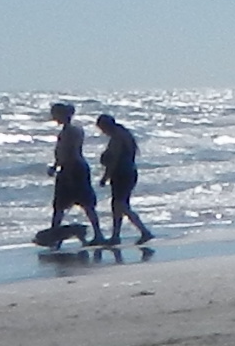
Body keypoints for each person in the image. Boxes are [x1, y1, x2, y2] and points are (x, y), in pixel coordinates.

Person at [93, 109, 154, 247]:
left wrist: (105, 177)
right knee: (117, 206)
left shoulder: (117, 138)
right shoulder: (124, 134)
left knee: (121, 205)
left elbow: (114, 160)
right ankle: (116, 235)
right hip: (128, 172)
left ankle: (144, 231)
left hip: (122, 173)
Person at [42, 104, 99, 247]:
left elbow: (70, 152)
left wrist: (65, 171)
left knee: (62, 205)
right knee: (83, 204)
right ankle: (96, 233)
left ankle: (54, 237)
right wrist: (56, 166)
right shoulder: (71, 130)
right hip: (74, 167)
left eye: (55, 114)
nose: (54, 117)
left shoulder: (70, 132)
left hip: (73, 168)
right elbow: (64, 153)